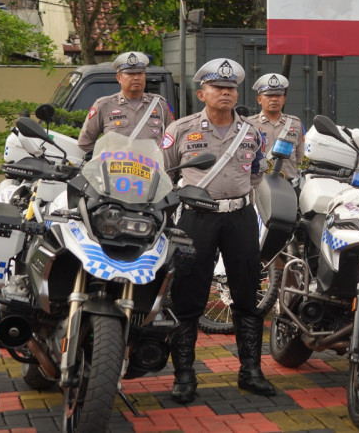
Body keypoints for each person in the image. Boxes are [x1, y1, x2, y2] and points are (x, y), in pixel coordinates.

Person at [161, 58, 275, 404]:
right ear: (202, 93)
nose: (225, 93)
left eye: (230, 88)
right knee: (188, 296)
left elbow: (256, 173)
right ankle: (184, 375)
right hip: (197, 219)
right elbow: (164, 174)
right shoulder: (180, 129)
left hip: (240, 218)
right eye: (217, 88)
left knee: (246, 293)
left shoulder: (252, 132)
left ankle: (251, 371)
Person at [77, 51, 174, 154]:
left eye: (140, 73)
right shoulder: (103, 106)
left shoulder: (160, 105)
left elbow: (172, 140)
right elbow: (85, 142)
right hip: (117, 168)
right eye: (130, 74)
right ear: (119, 78)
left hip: (152, 168)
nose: (136, 77)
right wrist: (107, 158)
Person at [249, 73, 305, 181]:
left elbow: (299, 157)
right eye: (269, 95)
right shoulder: (250, 124)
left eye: (278, 95)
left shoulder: (295, 124)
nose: (274, 99)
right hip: (259, 184)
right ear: (259, 99)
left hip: (288, 184)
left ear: (284, 99)